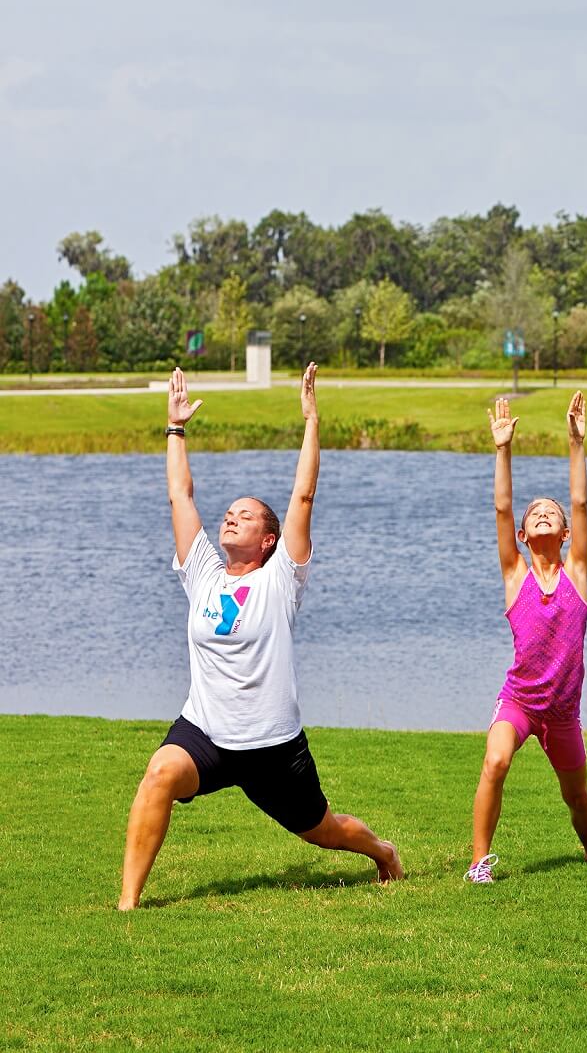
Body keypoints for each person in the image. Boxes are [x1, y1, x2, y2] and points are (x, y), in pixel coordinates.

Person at [119, 365, 402, 910]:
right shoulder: (202, 570)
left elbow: (303, 496)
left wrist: (311, 421)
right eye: (229, 514)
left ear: (269, 540)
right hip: (206, 732)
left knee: (323, 830)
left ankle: (383, 851)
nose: (230, 518)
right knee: (159, 774)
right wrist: (174, 429)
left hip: (273, 745)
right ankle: (129, 906)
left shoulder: (280, 578)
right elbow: (180, 496)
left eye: (245, 517)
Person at [464, 392, 587, 883]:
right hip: (521, 701)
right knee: (495, 762)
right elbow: (501, 507)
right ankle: (478, 864)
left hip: (563, 711)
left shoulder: (577, 572)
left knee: (576, 795)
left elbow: (580, 500)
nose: (541, 515)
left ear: (567, 532)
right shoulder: (515, 575)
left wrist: (577, 443)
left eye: (549, 514)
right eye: (535, 516)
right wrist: (502, 450)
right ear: (523, 537)